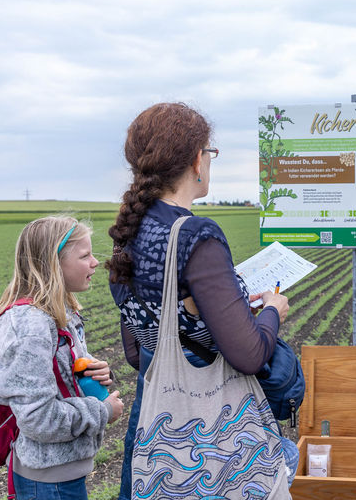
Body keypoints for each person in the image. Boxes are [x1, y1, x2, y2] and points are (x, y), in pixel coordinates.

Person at [106, 102, 291, 500]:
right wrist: (272, 310)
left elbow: (139, 351)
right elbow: (249, 354)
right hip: (217, 440)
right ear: (196, 160)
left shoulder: (127, 235)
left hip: (159, 428)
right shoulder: (195, 235)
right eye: (211, 153)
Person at [0, 216, 124, 500]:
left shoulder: (61, 313)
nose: (95, 262)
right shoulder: (31, 328)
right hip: (49, 483)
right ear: (52, 265)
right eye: (85, 256)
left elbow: (63, 375)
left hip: (62, 475)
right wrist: (103, 412)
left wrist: (95, 373)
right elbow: (39, 418)